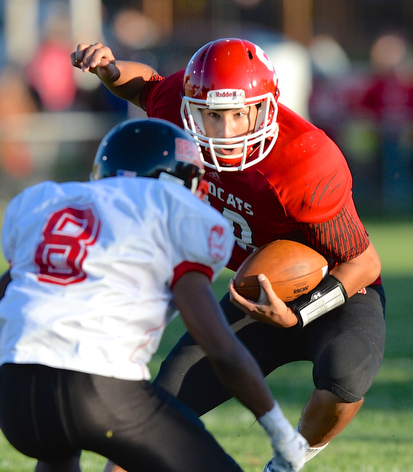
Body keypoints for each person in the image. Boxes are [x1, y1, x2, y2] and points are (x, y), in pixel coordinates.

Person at [71, 38, 386, 472]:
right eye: (213, 116)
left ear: (266, 107)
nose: (225, 130)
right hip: (253, 291)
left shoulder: (305, 161)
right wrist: (109, 71)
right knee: (159, 408)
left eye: (239, 114)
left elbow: (365, 264)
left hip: (337, 287)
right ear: (192, 109)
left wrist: (297, 316)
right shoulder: (178, 108)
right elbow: (145, 87)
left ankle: (287, 464)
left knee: (344, 375)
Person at [0, 118, 308, 472]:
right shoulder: (172, 214)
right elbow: (220, 349)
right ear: (177, 183)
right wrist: (280, 431)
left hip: (15, 397)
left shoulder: (51, 208)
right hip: (98, 391)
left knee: (57, 453)